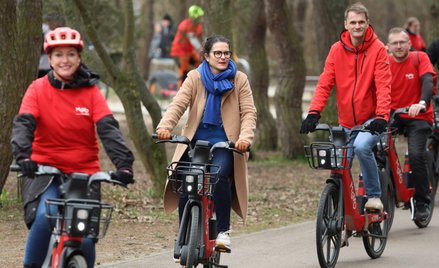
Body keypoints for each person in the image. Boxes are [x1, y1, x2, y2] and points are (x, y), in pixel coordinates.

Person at [11, 27, 135, 268]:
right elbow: (24, 124)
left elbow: (108, 129)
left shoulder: (91, 92)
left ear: (79, 58)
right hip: (42, 170)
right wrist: (23, 155)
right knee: (44, 220)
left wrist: (124, 165)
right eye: (58, 55)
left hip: (84, 173)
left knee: (85, 237)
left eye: (70, 54)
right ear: (50, 59)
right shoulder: (36, 89)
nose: (64, 60)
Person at [156, 35, 257, 251]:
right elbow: (178, 104)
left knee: (218, 176)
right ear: (206, 56)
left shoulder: (239, 80)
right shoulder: (195, 77)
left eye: (226, 53)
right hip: (195, 143)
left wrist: (244, 138)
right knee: (187, 181)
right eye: (217, 53)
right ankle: (183, 235)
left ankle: (222, 231)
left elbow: (248, 113)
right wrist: (164, 127)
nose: (222, 57)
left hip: (225, 144)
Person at [300, 2, 392, 212]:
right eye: (353, 22)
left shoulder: (378, 49)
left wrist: (381, 116)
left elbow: (384, 86)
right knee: (338, 164)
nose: (357, 26)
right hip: (346, 122)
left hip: (371, 120)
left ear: (368, 23)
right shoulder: (336, 50)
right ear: (346, 24)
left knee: (361, 147)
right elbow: (325, 83)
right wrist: (313, 112)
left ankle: (373, 197)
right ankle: (340, 214)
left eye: (361, 22)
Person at [387, 27, 437, 220]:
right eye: (395, 43)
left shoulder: (419, 58)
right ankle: (388, 190)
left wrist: (422, 103)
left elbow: (427, 81)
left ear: (409, 44)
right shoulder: (385, 63)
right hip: (394, 115)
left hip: (419, 115)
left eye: (402, 42)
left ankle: (422, 201)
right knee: (378, 151)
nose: (399, 46)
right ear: (389, 46)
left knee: (416, 154)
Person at [170, 5, 204, 88]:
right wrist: (200, 49)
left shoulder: (199, 26)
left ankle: (199, 87)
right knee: (184, 72)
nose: (199, 19)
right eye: (198, 17)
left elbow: (200, 37)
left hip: (189, 51)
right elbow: (192, 38)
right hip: (179, 51)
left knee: (200, 64)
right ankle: (182, 93)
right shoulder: (184, 25)